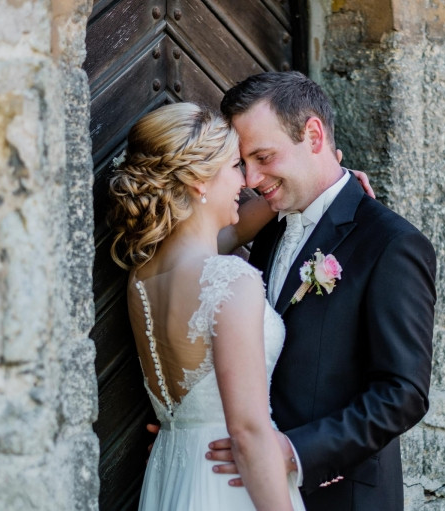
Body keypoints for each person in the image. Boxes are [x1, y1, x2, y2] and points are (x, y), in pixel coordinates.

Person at [203, 71, 437, 510]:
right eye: (243, 163)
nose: (251, 178)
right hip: (246, 485)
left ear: (313, 135)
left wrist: (293, 451)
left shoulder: (391, 244)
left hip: (340, 494)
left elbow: (402, 393)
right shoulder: (274, 225)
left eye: (264, 156)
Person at [109, 102, 304, 510]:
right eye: (235, 166)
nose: (248, 181)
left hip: (173, 473)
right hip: (232, 481)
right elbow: (249, 432)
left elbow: (232, 228)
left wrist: (315, 182)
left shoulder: (142, 277)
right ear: (200, 180)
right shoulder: (230, 280)